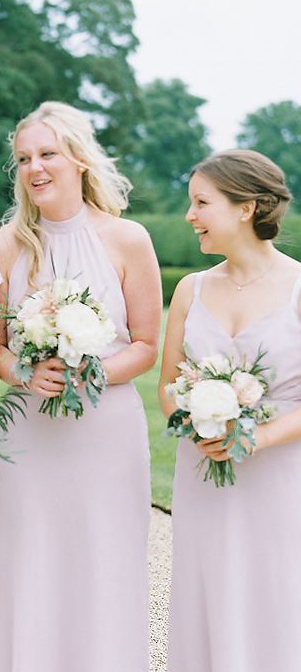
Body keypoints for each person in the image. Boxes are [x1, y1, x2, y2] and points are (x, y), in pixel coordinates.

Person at [0, 101, 161, 671]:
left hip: (106, 430)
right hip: (31, 434)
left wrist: (90, 376)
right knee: (29, 557)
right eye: (23, 159)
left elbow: (146, 344)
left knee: (105, 557)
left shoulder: (127, 239)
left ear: (79, 160)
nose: (34, 168)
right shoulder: (3, 248)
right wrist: (23, 372)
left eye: (47, 154)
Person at [159, 149, 301, 671]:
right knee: (207, 591)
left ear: (245, 208)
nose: (190, 216)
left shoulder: (299, 287)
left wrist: (254, 439)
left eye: (201, 202)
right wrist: (196, 424)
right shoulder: (191, 290)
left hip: (280, 477)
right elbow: (169, 384)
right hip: (203, 472)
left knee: (278, 595)